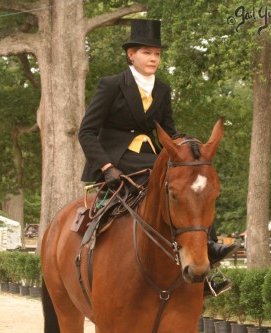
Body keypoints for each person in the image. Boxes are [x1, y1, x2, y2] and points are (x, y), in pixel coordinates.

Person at [78, 19, 238, 300]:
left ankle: (209, 254)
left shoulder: (162, 89)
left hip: (151, 155)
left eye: (157, 54)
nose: (153, 58)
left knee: (193, 184)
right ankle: (91, 244)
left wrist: (188, 146)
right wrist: (106, 166)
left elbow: (170, 131)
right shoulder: (111, 85)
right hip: (116, 158)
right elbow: (87, 131)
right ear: (131, 55)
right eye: (146, 53)